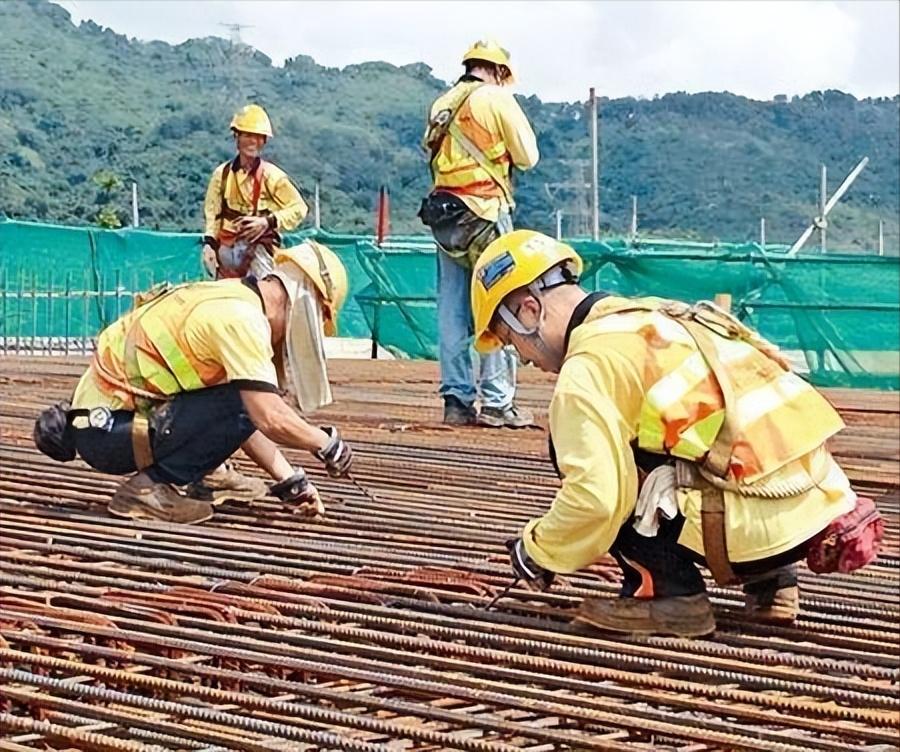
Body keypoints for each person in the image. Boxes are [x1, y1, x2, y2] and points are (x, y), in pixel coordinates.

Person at [470, 230, 881, 637]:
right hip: (821, 506)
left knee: (603, 459)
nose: (523, 360)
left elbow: (595, 499)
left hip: (753, 532)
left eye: (511, 343)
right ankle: (773, 585)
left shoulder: (589, 364)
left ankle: (666, 596)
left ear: (528, 310)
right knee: (699, 437)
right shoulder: (659, 316)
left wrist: (538, 549)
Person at [34, 242, 352, 525]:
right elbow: (266, 416)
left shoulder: (230, 295)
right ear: (307, 309)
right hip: (112, 435)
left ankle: (208, 475)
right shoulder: (243, 319)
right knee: (250, 399)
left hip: (102, 425)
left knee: (243, 395)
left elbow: (235, 418)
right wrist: (326, 444)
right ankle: (147, 490)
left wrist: (291, 482)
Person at [419, 40, 539, 428]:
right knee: (498, 301)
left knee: (452, 308)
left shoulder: (442, 103)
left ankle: (455, 400)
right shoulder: (497, 99)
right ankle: (497, 402)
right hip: (486, 214)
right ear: (499, 71)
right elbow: (528, 156)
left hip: (445, 219)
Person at [202, 104, 308, 279]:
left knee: (265, 294)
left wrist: (267, 222)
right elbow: (213, 212)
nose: (253, 141)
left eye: (259, 137)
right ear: (237, 136)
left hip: (257, 249)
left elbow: (299, 208)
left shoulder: (272, 176)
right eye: (247, 135)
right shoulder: (222, 174)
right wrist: (209, 244)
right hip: (226, 247)